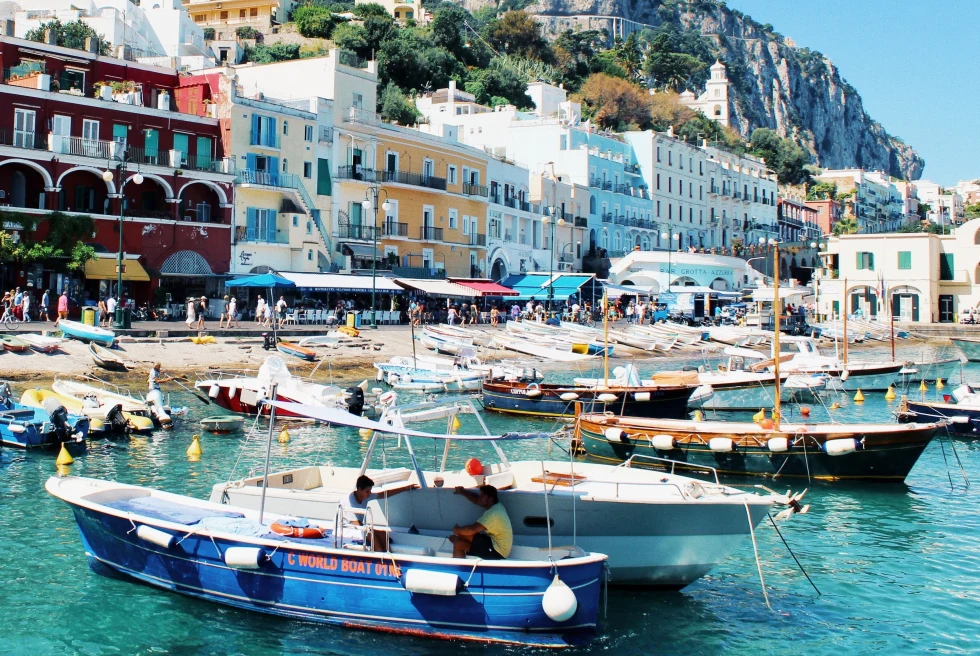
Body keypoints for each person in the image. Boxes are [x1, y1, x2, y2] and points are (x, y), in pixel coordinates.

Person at [338, 475, 403, 551]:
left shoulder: (365, 496)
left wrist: (405, 489)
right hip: (345, 529)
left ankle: (388, 557)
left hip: (358, 528)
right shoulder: (348, 502)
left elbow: (383, 494)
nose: (369, 494)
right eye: (367, 491)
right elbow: (357, 524)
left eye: (370, 491)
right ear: (359, 489)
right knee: (371, 535)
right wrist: (376, 532)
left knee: (383, 534)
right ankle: (380, 557)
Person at [449, 485, 512, 560]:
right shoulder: (497, 506)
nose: (479, 497)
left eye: (482, 496)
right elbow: (476, 500)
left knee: (462, 534)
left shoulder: (493, 514)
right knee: (458, 543)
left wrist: (456, 530)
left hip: (497, 552)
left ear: (490, 498)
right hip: (494, 544)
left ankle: (458, 562)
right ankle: (459, 568)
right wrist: (462, 491)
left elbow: (471, 530)